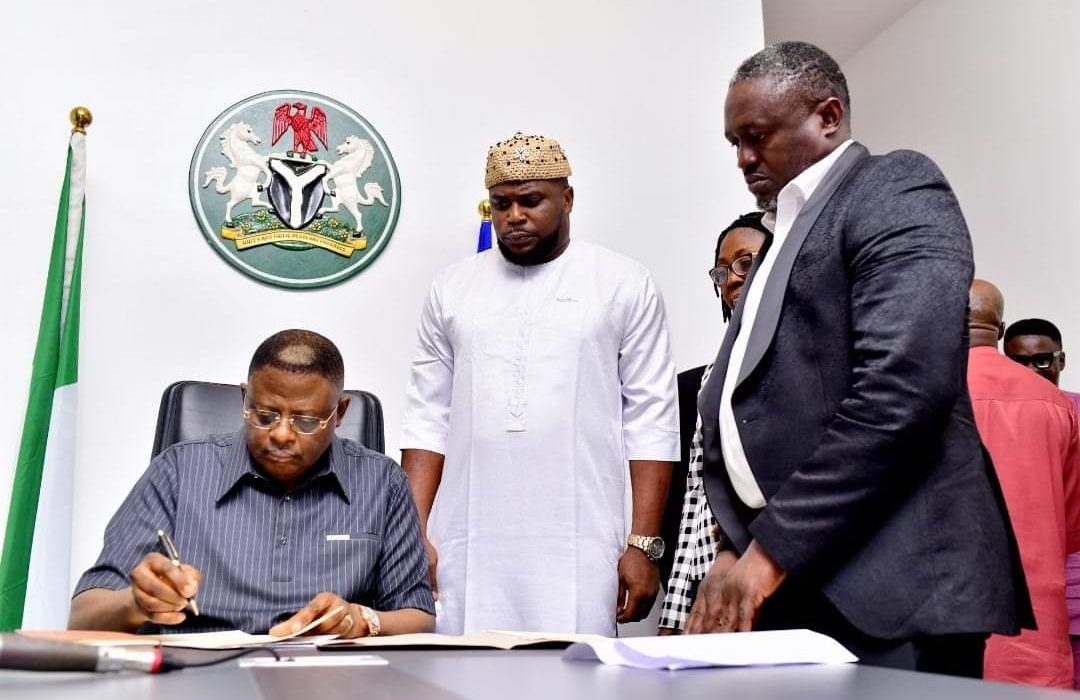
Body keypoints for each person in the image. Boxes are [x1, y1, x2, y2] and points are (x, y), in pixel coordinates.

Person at [691, 41, 1032, 676]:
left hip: (892, 588)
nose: (742, 158)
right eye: (734, 140)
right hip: (801, 574)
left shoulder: (894, 186)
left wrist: (768, 551)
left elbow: (901, 388)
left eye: (758, 136)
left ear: (827, 115)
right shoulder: (779, 234)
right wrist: (735, 546)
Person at [401, 132, 679, 635]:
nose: (514, 217)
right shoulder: (452, 288)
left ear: (567, 199)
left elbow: (652, 418)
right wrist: (413, 534)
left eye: (531, 201)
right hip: (467, 537)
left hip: (581, 539)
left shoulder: (621, 282)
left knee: (573, 677)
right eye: (501, 204)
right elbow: (427, 417)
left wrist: (643, 543)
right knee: (462, 674)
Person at [69, 330, 435, 637]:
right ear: (245, 398)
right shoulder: (179, 470)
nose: (280, 434)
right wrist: (135, 602)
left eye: (306, 421)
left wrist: (363, 619)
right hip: (194, 680)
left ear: (339, 414)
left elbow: (418, 617)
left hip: (326, 681)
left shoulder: (382, 482)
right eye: (264, 415)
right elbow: (83, 617)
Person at [658, 212, 771, 633]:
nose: (733, 279)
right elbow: (687, 502)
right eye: (723, 271)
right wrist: (674, 606)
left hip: (767, 581)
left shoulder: (804, 371)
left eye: (747, 262)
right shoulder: (696, 387)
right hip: (697, 588)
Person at [968, 280, 1080, 687]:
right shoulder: (1057, 404)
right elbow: (1069, 526)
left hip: (946, 611)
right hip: (1037, 611)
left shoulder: (916, 388)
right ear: (999, 331)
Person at [1004, 317, 1080, 688]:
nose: (1032, 371)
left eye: (1042, 360)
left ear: (1062, 360)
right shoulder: (993, 415)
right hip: (1021, 595)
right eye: (1018, 361)